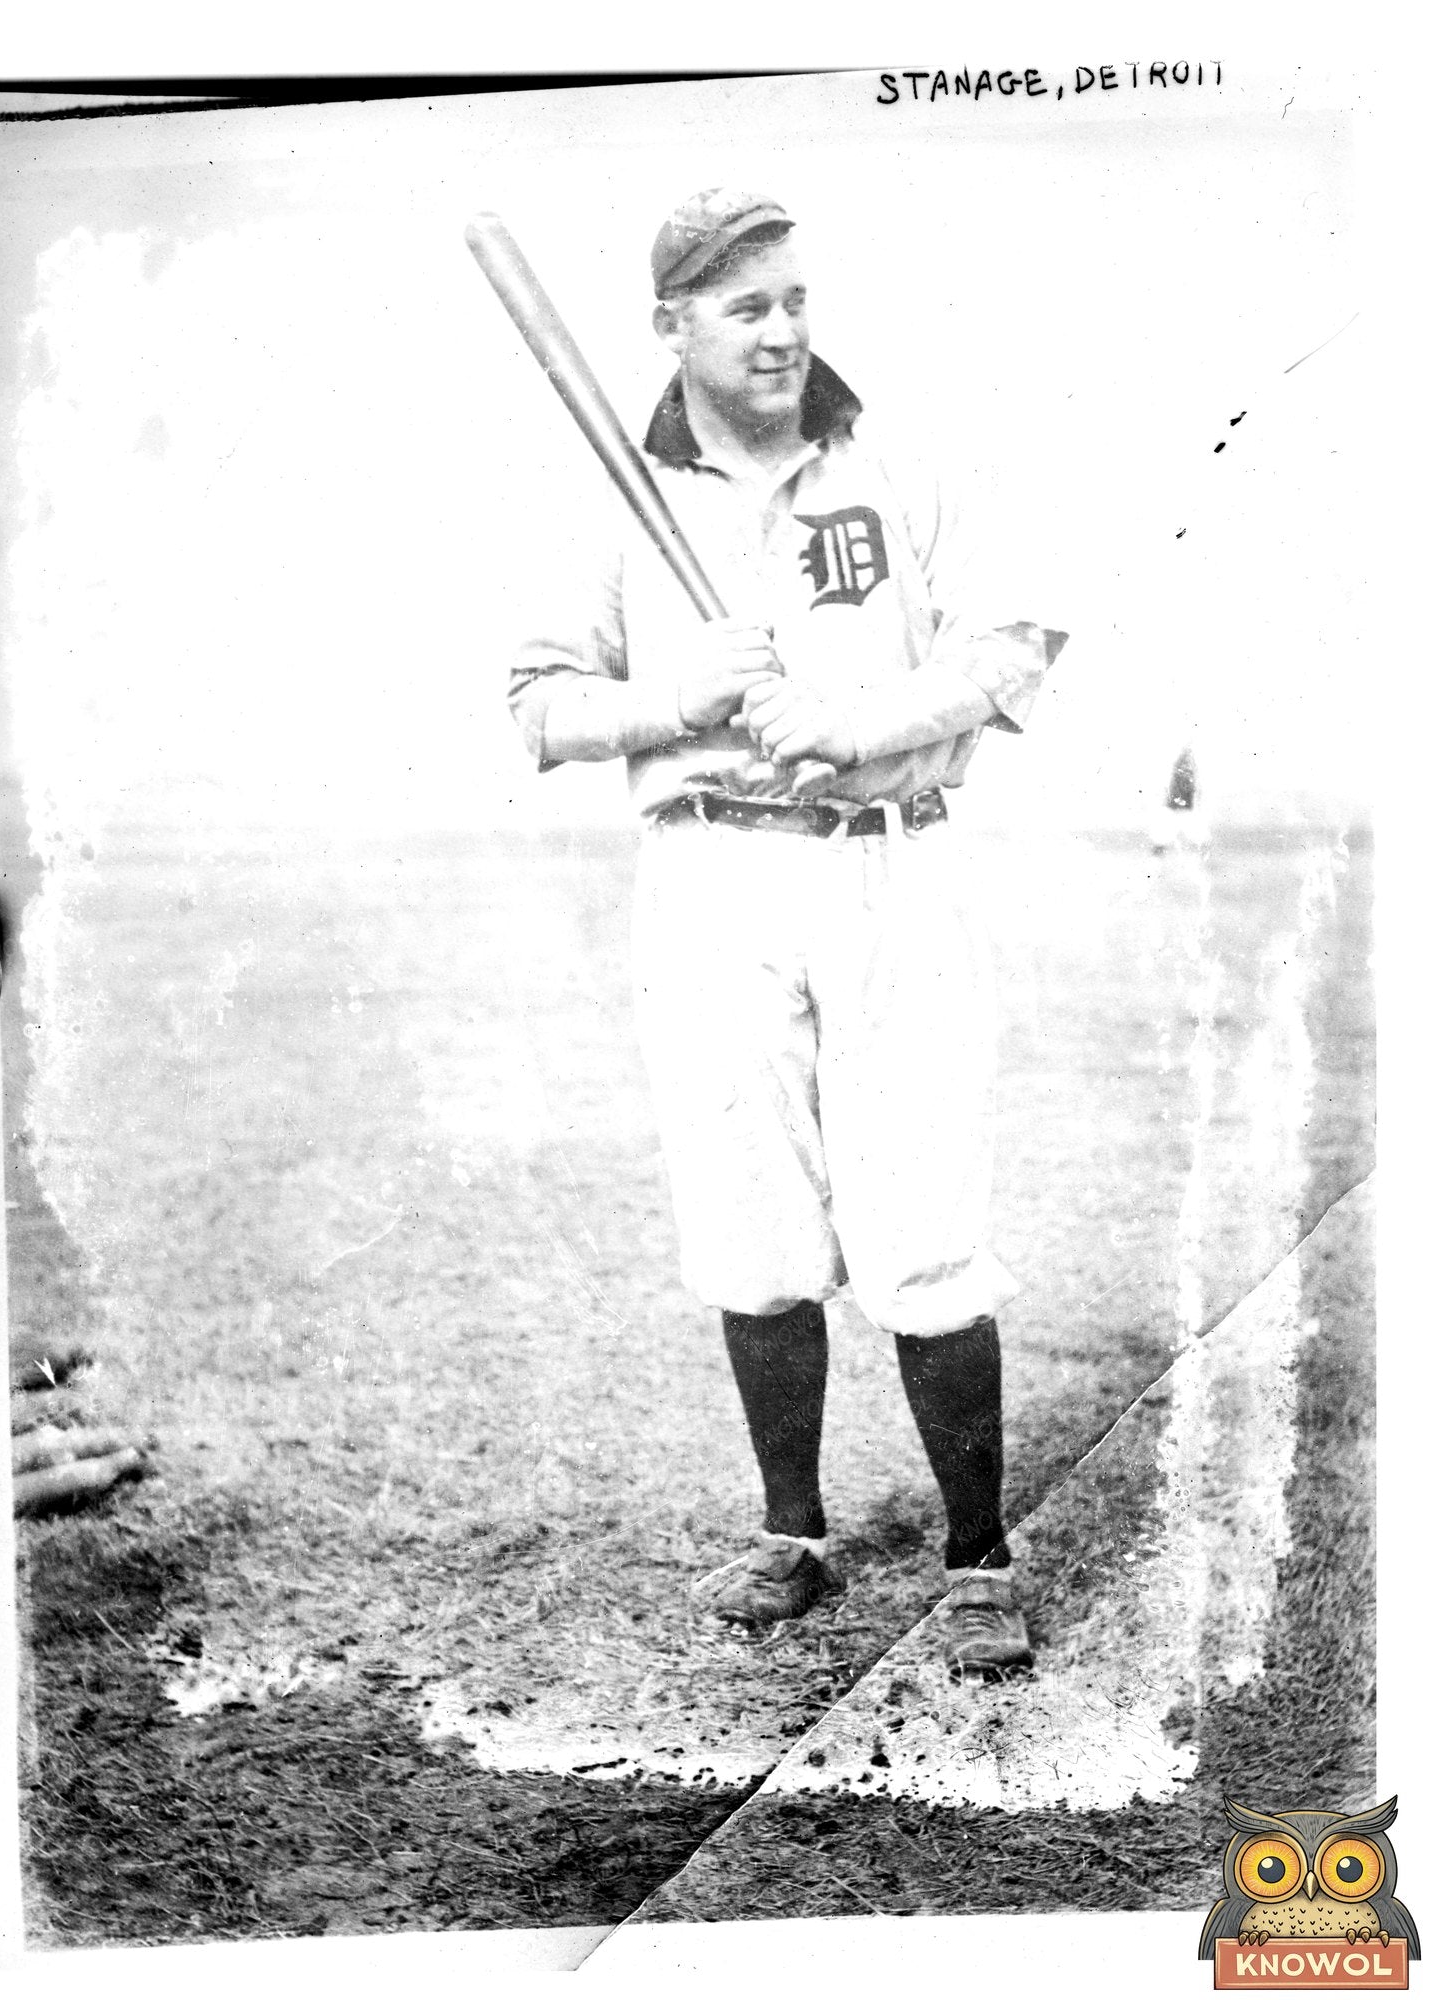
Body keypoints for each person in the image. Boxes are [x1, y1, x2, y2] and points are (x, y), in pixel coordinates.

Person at [508, 189, 1067, 1678]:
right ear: (671, 326)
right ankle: (790, 1532)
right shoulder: (611, 494)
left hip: (888, 866)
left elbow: (1013, 643)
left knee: (922, 1226)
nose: (780, 330)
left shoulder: (895, 455)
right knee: (750, 1224)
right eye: (744, 306)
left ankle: (974, 1557)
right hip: (705, 881)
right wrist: (671, 705)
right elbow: (539, 702)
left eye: (793, 300)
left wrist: (857, 718)